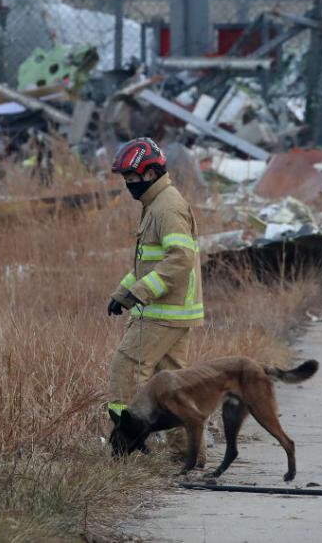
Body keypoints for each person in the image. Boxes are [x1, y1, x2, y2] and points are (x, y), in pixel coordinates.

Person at [106, 137, 206, 464]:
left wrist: (141, 293)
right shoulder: (155, 203)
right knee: (173, 389)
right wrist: (123, 294)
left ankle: (127, 443)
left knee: (126, 368)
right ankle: (188, 455)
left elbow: (180, 259)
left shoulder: (167, 206)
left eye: (132, 178)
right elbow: (148, 262)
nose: (128, 185)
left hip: (162, 313)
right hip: (172, 312)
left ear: (150, 173)